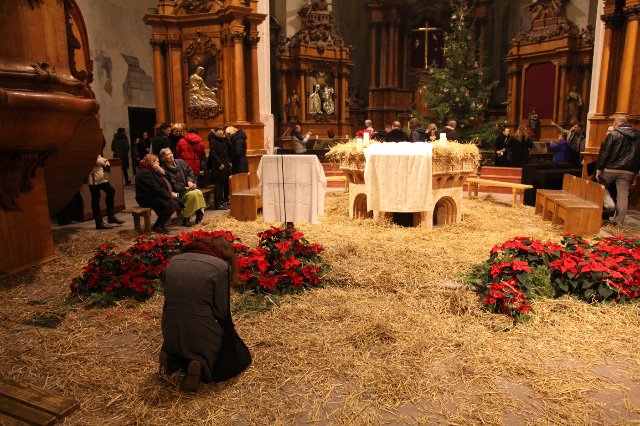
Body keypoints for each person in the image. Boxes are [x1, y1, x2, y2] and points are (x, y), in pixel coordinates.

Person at [159, 235, 250, 391]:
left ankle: (170, 356)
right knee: (231, 348)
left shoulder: (174, 261)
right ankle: (200, 363)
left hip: (169, 326)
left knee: (180, 332)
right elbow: (221, 311)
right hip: (198, 329)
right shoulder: (219, 267)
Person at [596, 117, 640, 225]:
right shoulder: (638, 136)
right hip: (628, 171)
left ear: (618, 124)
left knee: (600, 186)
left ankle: (609, 206)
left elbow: (605, 153)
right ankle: (618, 222)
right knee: (623, 196)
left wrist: (599, 170)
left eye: (614, 125)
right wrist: (635, 174)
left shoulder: (614, 134)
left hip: (611, 168)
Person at [159, 148, 206, 227]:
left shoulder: (180, 162)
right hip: (176, 194)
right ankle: (188, 216)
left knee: (198, 192)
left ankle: (198, 213)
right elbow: (173, 185)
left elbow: (189, 172)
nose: (170, 156)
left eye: (171, 153)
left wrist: (190, 181)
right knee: (194, 194)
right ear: (163, 158)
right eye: (167, 155)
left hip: (187, 190)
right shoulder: (164, 170)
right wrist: (187, 188)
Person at [135, 154, 181, 234]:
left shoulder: (152, 171)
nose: (159, 164)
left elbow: (165, 182)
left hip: (154, 195)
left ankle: (162, 225)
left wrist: (163, 172)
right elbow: (154, 188)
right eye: (157, 162)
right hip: (146, 198)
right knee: (170, 204)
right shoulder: (144, 172)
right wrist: (169, 195)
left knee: (175, 202)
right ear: (152, 162)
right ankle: (157, 226)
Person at [87, 155, 124, 229]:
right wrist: (105, 161)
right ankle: (99, 222)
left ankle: (111, 216)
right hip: (94, 178)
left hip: (101, 177)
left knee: (111, 191)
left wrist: (105, 161)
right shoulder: (89, 150)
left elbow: (101, 159)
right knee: (96, 199)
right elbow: (96, 160)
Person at [208, 126, 232, 210]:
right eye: (219, 130)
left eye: (222, 130)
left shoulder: (222, 140)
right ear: (215, 131)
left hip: (224, 165)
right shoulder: (213, 140)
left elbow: (225, 153)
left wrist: (228, 162)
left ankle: (221, 202)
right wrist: (219, 164)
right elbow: (213, 154)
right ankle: (217, 204)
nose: (221, 132)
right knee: (218, 186)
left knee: (222, 185)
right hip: (218, 166)